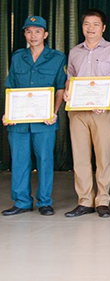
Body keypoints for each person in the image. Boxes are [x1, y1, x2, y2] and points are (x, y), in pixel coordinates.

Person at [64, 9, 110, 218]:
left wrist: (105, 99)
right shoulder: (75, 52)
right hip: (77, 112)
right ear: (82, 26)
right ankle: (84, 201)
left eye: (95, 24)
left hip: (102, 111)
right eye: (86, 24)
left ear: (103, 28)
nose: (90, 28)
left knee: (103, 155)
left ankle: (102, 200)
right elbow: (70, 79)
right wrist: (68, 92)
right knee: (80, 157)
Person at [2, 16, 66, 216]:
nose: (33, 35)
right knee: (19, 161)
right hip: (19, 121)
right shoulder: (18, 57)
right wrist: (8, 113)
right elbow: (11, 87)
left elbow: (61, 88)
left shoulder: (57, 58)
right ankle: (22, 202)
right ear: (24, 34)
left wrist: (54, 112)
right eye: (29, 31)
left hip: (44, 121)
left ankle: (45, 202)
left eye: (37, 31)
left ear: (45, 34)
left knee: (45, 160)